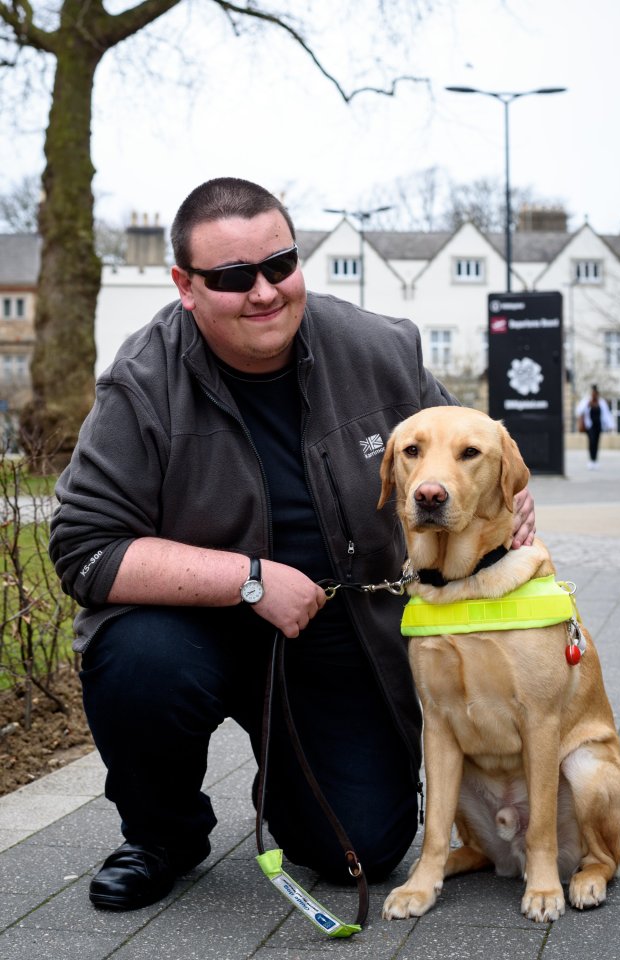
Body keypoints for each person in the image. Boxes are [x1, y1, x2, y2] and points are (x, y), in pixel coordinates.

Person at [49, 177, 536, 912]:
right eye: (234, 277)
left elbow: (462, 451)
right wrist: (247, 580)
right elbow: (84, 550)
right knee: (139, 661)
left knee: (361, 850)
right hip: (192, 629)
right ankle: (162, 834)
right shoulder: (142, 382)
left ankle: (290, 770)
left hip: (338, 633)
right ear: (185, 285)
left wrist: (513, 494)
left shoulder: (380, 349)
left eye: (280, 265)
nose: (265, 292)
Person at [576, 384, 615, 469]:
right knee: (591, 442)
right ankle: (591, 460)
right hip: (590, 426)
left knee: (596, 443)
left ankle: (595, 460)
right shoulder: (586, 401)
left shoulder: (601, 402)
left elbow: (606, 414)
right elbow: (579, 411)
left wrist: (611, 425)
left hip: (598, 426)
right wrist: (588, 404)